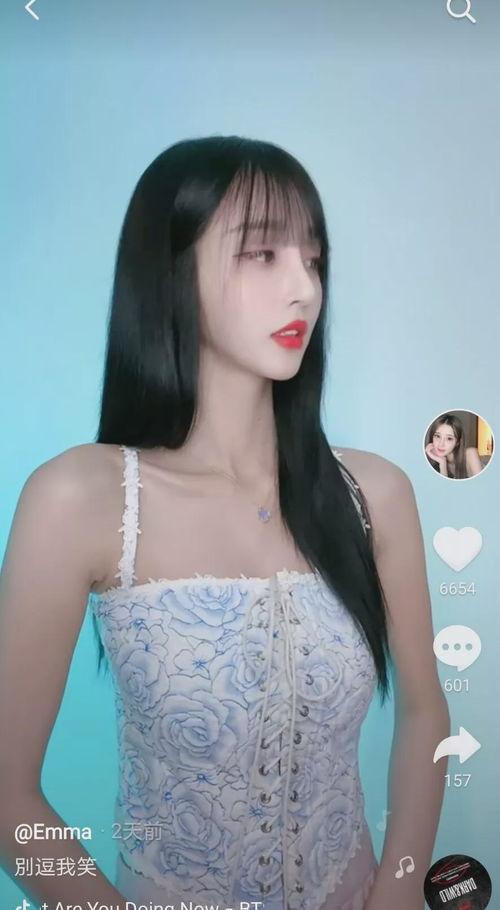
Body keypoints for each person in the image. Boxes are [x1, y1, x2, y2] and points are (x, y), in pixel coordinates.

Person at [0, 136, 450, 910]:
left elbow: (424, 709)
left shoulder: (374, 494)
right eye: (261, 254)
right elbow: (7, 794)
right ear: (170, 270)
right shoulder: (81, 499)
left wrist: (401, 890)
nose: (304, 288)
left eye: (313, 259)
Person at [425, 413, 484, 479]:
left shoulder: (470, 453)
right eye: (438, 436)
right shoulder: (432, 460)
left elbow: (481, 484)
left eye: (449, 438)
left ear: (457, 442)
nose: (441, 444)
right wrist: (442, 464)